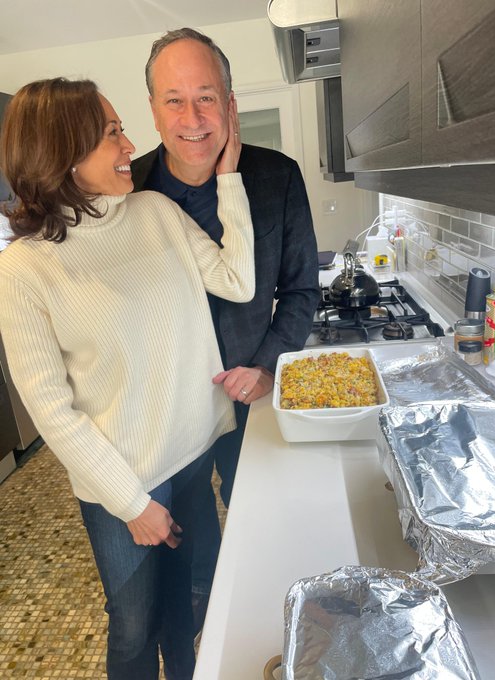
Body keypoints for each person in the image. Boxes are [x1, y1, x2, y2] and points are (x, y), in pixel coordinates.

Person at [0, 77, 255, 680]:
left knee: (186, 615)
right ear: (62, 153)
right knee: (135, 630)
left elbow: (239, 282)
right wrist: (133, 504)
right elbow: (52, 411)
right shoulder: (24, 268)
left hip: (194, 458)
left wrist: (229, 179)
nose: (129, 145)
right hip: (124, 486)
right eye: (113, 133)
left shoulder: (155, 213)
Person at [131, 27, 321, 632]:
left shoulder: (278, 177)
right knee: (187, 555)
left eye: (207, 96)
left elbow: (300, 290)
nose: (193, 117)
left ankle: (264, 634)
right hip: (166, 411)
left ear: (232, 105)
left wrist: (266, 366)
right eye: (174, 99)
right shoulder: (127, 191)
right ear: (155, 112)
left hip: (251, 394)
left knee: (259, 524)